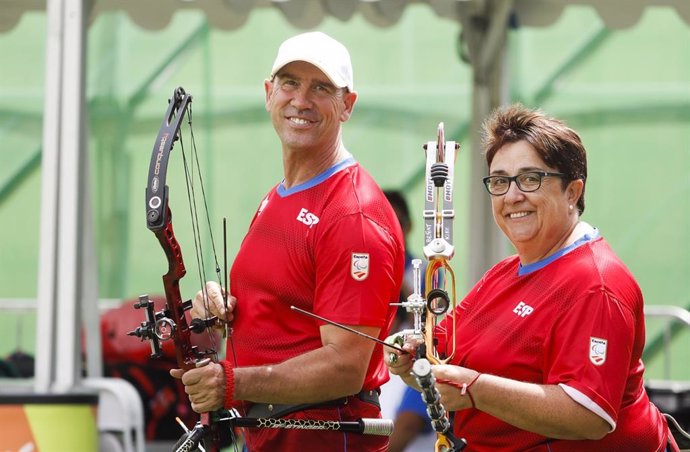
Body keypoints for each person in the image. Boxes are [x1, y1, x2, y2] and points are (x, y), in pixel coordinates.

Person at [385, 104, 678, 451]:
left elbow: (589, 413)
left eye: (529, 178)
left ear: (572, 191)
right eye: (499, 181)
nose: (511, 195)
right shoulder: (505, 272)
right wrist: (410, 357)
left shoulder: (597, 283)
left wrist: (473, 389)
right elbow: (442, 355)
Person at [171, 31, 405, 452]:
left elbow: (345, 367)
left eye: (321, 88)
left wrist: (232, 382)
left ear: (347, 105)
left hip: (321, 439)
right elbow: (276, 301)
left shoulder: (353, 214)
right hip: (269, 434)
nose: (301, 100)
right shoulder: (279, 195)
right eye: (290, 83)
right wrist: (223, 304)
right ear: (268, 93)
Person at [382, 190, 435, 452]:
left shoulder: (425, 272)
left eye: (397, 223)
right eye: (381, 223)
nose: (389, 232)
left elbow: (408, 424)